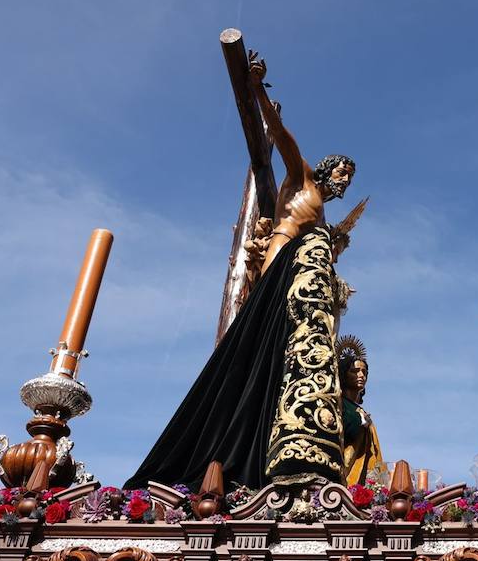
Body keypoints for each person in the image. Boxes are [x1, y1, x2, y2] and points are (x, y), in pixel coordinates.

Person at [126, 54, 353, 490]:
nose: (344, 181)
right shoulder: (303, 180)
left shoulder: (323, 221)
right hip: (279, 261)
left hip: (300, 274)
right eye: (343, 171)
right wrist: (257, 90)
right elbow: (282, 136)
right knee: (255, 339)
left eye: (348, 177)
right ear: (326, 168)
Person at [338, 335, 383, 486]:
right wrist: (361, 421)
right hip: (344, 471)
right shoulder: (339, 403)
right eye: (354, 371)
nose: (361, 375)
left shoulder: (359, 409)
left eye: (364, 372)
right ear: (343, 374)